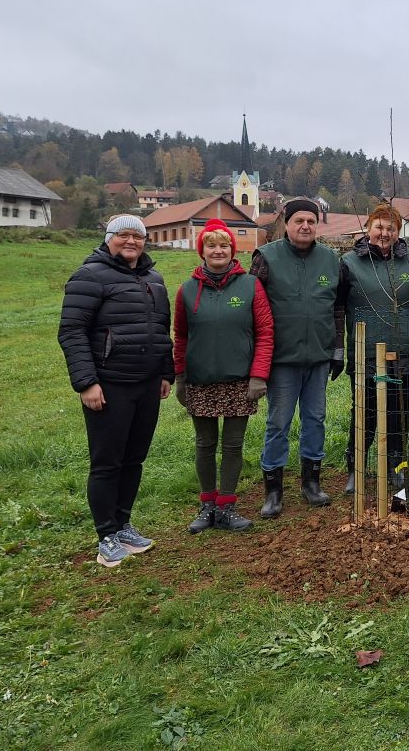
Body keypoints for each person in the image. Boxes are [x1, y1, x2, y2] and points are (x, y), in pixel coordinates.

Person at [58, 214, 173, 568]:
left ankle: (123, 525)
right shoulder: (90, 275)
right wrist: (86, 382)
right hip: (109, 385)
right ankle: (105, 534)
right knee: (107, 462)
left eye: (138, 236)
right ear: (109, 238)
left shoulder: (154, 278)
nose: (131, 242)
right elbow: (72, 332)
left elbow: (161, 328)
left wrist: (166, 372)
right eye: (123, 235)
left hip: (147, 384)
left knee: (134, 459)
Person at [173, 219, 275, 534]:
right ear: (201, 250)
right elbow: (180, 337)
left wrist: (259, 375)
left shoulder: (250, 286)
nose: (218, 251)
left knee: (233, 445)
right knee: (204, 443)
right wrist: (180, 377)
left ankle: (227, 506)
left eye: (224, 245)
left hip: (239, 380)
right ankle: (207, 507)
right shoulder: (187, 290)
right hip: (200, 380)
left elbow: (265, 332)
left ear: (233, 249)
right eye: (211, 245)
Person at [250, 198, 342, 518]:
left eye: (311, 221)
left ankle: (311, 483)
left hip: (318, 356)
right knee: (279, 422)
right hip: (281, 359)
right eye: (298, 220)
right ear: (286, 224)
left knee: (315, 420)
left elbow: (339, 309)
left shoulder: (331, 260)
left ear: (317, 225)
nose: (305, 226)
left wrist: (338, 350)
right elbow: (253, 309)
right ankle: (273, 490)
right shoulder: (266, 258)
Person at [336, 203, 409, 496]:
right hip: (366, 351)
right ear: (368, 228)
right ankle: (356, 467)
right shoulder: (349, 263)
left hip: (405, 350)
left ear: (398, 232)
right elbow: (337, 306)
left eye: (391, 228)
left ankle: (396, 468)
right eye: (379, 227)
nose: (384, 233)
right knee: (365, 411)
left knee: (400, 410)